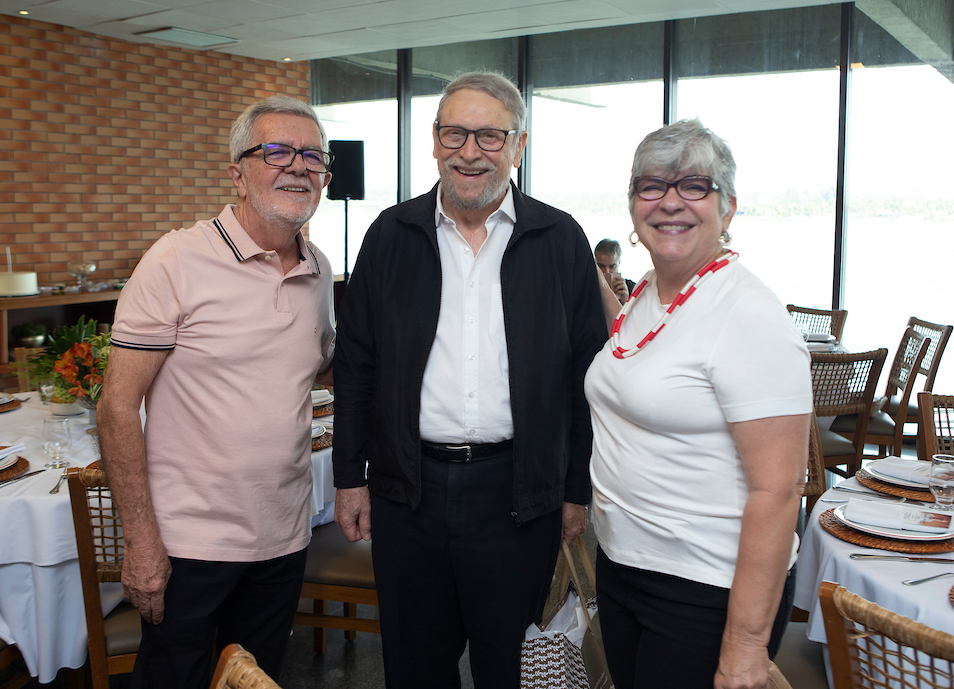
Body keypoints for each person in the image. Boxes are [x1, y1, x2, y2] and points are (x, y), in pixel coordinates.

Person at [332, 71, 607, 689]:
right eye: (455, 133)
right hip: (409, 493)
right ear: (434, 142)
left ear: (518, 146)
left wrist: (574, 489)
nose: (470, 151)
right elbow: (356, 367)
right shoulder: (390, 236)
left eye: (489, 135)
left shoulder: (559, 239)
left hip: (516, 495)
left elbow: (585, 377)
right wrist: (349, 478)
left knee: (507, 667)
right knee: (414, 666)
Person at [97, 96, 336, 686]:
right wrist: (143, 542)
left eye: (313, 156)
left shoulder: (319, 269)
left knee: (257, 680)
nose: (298, 167)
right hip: (190, 544)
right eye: (276, 151)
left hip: (283, 533)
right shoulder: (176, 259)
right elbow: (117, 407)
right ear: (237, 173)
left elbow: (320, 368)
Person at [585, 120, 811, 689]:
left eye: (694, 186)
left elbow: (778, 491)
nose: (670, 202)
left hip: (704, 585)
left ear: (728, 207)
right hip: (623, 563)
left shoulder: (748, 313)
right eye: (652, 186)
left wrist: (744, 650)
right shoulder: (646, 295)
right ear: (633, 206)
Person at [595, 238, 636, 303]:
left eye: (612, 266)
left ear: (619, 263)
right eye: (601, 266)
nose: (607, 271)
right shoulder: (587, 287)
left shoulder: (632, 289)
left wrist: (626, 301)